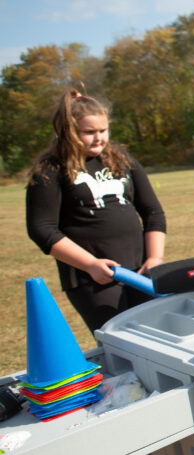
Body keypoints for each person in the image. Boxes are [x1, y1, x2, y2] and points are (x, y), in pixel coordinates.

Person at [26, 89, 166, 334]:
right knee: (122, 345)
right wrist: (90, 264)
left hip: (142, 270)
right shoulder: (50, 169)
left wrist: (155, 258)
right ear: (68, 131)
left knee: (159, 339)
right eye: (88, 132)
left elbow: (152, 212)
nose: (99, 138)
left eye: (103, 131)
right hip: (93, 279)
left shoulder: (121, 160)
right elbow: (42, 229)